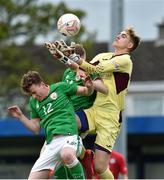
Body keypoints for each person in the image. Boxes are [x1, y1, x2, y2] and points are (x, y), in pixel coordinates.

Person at [45, 26, 140, 179]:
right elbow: (83, 69)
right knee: (68, 122)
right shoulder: (102, 55)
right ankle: (83, 155)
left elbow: (97, 70)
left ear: (129, 45)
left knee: (100, 168)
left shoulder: (125, 60)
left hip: (110, 117)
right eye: (119, 33)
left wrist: (73, 56)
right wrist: (63, 57)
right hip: (95, 109)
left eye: (123, 36)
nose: (118, 36)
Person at [7, 70, 95, 179]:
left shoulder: (61, 87)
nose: (33, 96)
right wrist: (20, 116)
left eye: (34, 92)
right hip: (51, 143)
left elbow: (87, 91)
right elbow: (35, 129)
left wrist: (90, 86)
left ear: (42, 84)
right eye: (31, 94)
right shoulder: (33, 102)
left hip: (69, 136)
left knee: (66, 155)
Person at [52, 43, 108, 179]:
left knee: (60, 149)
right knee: (58, 152)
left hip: (83, 113)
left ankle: (82, 159)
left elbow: (104, 88)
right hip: (68, 113)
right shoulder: (67, 72)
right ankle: (84, 155)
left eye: (67, 58)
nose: (66, 61)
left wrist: (90, 84)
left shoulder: (88, 68)